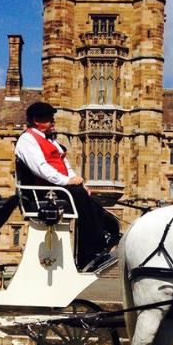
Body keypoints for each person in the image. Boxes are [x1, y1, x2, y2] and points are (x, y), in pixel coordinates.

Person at [14, 102, 121, 271]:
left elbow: (65, 166)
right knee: (80, 198)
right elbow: (40, 168)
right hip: (44, 192)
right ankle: (89, 255)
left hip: (57, 188)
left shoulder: (52, 141)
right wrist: (66, 182)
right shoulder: (27, 140)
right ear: (36, 120)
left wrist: (78, 181)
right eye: (49, 119)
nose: (53, 121)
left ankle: (106, 239)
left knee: (92, 201)